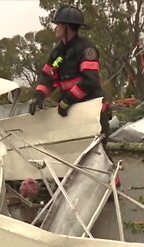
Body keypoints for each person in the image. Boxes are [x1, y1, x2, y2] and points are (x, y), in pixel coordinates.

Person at [29, 5, 111, 143]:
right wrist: (38, 97)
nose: (55, 28)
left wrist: (67, 101)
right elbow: (48, 77)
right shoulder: (58, 54)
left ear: (67, 27)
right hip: (72, 115)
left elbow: (89, 81)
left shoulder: (86, 49)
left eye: (58, 25)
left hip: (92, 114)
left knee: (97, 159)